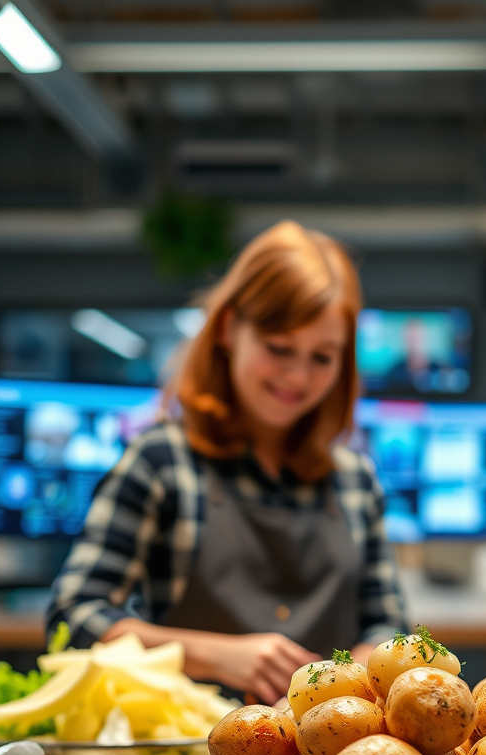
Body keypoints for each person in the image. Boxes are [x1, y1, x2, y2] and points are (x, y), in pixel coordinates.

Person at [48, 221, 407, 704]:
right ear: (227, 328)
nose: (298, 376)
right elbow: (73, 618)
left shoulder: (355, 481)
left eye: (323, 357)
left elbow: (391, 629)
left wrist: (334, 688)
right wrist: (213, 655)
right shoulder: (162, 462)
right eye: (279, 349)